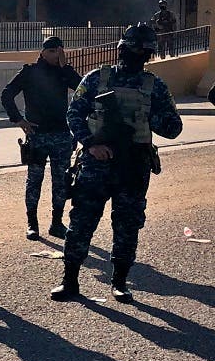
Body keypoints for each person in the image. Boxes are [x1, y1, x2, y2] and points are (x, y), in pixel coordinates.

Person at [51, 23, 183, 303]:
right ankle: (70, 281)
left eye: (141, 51)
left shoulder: (154, 86)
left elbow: (173, 128)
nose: (135, 55)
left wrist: (146, 116)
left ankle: (120, 282)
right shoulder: (97, 78)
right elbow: (74, 113)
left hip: (133, 166)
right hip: (96, 164)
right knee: (81, 222)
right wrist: (91, 143)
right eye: (132, 48)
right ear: (121, 48)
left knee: (127, 225)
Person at [1, 36, 83, 240]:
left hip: (61, 134)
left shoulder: (63, 73)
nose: (58, 55)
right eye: (54, 51)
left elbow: (83, 89)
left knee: (61, 181)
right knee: (34, 180)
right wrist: (19, 120)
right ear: (43, 52)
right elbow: (7, 94)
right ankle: (32, 223)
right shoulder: (30, 72)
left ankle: (57, 223)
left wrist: (66, 68)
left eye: (60, 51)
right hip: (37, 135)